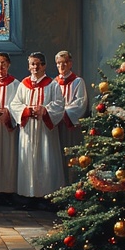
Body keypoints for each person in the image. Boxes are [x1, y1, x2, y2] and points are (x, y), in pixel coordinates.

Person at [9, 52, 66, 210]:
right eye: (32, 64)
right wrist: (26, 110)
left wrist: (45, 110)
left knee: (45, 158)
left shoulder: (52, 84)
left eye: (37, 64)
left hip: (44, 129)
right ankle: (29, 196)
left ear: (44, 66)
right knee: (29, 160)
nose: (34, 67)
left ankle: (46, 197)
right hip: (28, 129)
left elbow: (59, 104)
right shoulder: (24, 84)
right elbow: (15, 104)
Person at [0, 52, 20, 206]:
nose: (0, 66)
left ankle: (7, 192)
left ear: (8, 65)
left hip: (7, 125)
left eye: (3, 63)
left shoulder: (16, 84)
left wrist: (7, 110)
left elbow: (18, 103)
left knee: (8, 156)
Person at [54, 50, 89, 185]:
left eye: (64, 63)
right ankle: (58, 187)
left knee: (72, 154)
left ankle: (73, 185)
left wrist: (63, 113)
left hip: (70, 124)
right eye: (58, 63)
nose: (61, 66)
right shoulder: (53, 83)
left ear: (70, 64)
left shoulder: (78, 82)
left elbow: (80, 102)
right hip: (56, 125)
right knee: (58, 156)